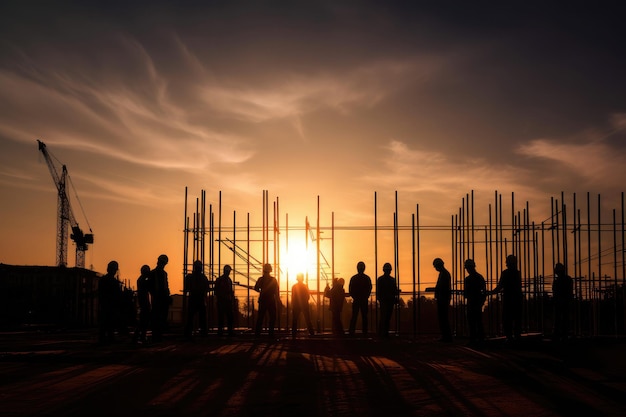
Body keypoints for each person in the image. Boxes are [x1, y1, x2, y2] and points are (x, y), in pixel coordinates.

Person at [490, 254, 523, 342]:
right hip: (517, 299)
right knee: (516, 319)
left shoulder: (506, 273)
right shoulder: (517, 273)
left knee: (507, 319)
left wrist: (491, 292)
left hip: (509, 299)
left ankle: (510, 336)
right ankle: (516, 336)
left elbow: (500, 286)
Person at [98, 260, 123, 344]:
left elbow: (100, 293)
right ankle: (108, 338)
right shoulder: (113, 282)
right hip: (110, 305)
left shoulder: (103, 280)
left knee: (106, 323)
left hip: (106, 305)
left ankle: (104, 338)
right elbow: (117, 295)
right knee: (109, 322)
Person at [184, 260, 210, 339]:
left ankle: (190, 333)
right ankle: (202, 332)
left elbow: (187, 288)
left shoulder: (190, 277)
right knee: (199, 317)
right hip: (198, 298)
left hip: (195, 298)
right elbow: (207, 289)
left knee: (192, 317)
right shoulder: (202, 277)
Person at [463, 259, 486, 346]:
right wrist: (482, 301)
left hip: (472, 303)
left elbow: (466, 294)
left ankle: (473, 339)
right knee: (478, 321)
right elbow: (484, 291)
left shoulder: (468, 279)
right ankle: (480, 339)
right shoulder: (480, 277)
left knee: (472, 322)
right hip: (477, 303)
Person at [148, 254, 170, 343]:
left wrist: (167, 296)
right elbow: (150, 286)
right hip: (157, 298)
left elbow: (166, 285)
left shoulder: (164, 274)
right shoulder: (153, 273)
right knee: (157, 317)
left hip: (162, 298)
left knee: (162, 317)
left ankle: (158, 335)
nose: (162, 264)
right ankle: (155, 336)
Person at [254, 263, 280, 338]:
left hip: (263, 300)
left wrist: (261, 290)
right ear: (270, 271)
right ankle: (270, 334)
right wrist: (278, 300)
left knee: (260, 317)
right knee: (272, 317)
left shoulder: (260, 279)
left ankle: (257, 334)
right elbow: (276, 292)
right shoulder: (273, 280)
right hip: (271, 300)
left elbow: (256, 288)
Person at [348, 261, 372, 337]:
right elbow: (369, 288)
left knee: (354, 316)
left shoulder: (354, 278)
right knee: (364, 316)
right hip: (363, 300)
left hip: (357, 300)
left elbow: (350, 289)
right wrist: (366, 296)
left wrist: (355, 297)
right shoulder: (367, 278)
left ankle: (352, 331)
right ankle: (364, 331)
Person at [433, 258, 453, 342]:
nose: (435, 268)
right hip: (443, 298)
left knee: (443, 318)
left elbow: (442, 287)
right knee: (443, 318)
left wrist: (437, 292)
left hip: (443, 299)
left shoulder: (444, 274)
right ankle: (445, 335)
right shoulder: (443, 274)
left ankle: (446, 336)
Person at [552, 263, 573, 342]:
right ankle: (564, 335)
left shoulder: (557, 281)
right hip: (565, 303)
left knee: (559, 319)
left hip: (560, 303)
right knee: (565, 319)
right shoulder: (568, 279)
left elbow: (555, 293)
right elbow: (570, 292)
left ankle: (558, 335)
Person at [376, 263, 398, 338]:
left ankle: (382, 333)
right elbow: (394, 290)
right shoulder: (392, 280)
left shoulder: (380, 279)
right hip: (388, 301)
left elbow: (378, 291)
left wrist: (379, 298)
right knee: (386, 317)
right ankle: (384, 333)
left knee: (384, 317)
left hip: (385, 301)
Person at [291, 273, 315, 338]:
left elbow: (293, 297)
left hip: (296, 305)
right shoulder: (305, 286)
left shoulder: (294, 286)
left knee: (295, 320)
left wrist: (293, 305)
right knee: (308, 319)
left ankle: (293, 335)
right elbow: (308, 296)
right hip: (304, 304)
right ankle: (312, 333)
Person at [132, 264, 151, 344]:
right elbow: (148, 285)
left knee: (144, 320)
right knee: (143, 320)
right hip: (144, 302)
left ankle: (140, 336)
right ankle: (139, 336)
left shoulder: (141, 279)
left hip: (144, 301)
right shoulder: (142, 280)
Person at [215, 264, 235, 337]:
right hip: (223, 301)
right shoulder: (222, 280)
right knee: (223, 318)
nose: (229, 273)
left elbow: (216, 291)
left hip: (225, 301)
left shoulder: (226, 280)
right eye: (228, 271)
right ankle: (223, 333)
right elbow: (216, 291)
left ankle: (227, 333)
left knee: (228, 318)